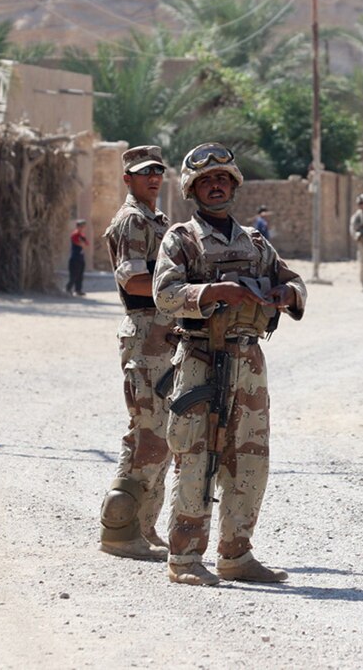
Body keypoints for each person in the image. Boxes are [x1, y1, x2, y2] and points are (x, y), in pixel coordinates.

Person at [154, 142, 307, 586]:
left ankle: (236, 554)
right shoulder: (181, 239)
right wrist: (216, 293)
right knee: (195, 457)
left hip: (248, 360)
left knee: (250, 458)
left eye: (222, 179)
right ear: (192, 189)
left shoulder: (255, 241)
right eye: (206, 181)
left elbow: (292, 280)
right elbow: (164, 296)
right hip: (202, 357)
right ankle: (184, 559)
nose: (215, 186)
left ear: (233, 185)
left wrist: (286, 295)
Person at [98, 145, 175, 562]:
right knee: (149, 434)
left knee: (163, 434)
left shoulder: (157, 221)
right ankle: (119, 530)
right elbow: (133, 281)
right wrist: (185, 293)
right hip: (146, 332)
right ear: (127, 178)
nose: (154, 179)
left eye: (158, 172)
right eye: (144, 173)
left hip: (163, 334)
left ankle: (144, 526)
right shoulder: (131, 220)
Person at [65, 218, 89, 296]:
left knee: (80, 275)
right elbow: (78, 243)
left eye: (83, 226)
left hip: (80, 258)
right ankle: (68, 289)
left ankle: (78, 290)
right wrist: (82, 243)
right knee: (73, 275)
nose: (83, 228)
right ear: (78, 227)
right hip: (75, 258)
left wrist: (82, 243)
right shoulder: (75, 234)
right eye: (81, 226)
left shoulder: (82, 235)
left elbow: (86, 243)